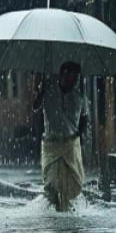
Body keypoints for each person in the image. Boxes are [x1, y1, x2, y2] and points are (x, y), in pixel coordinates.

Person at [32, 61, 90, 212]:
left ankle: (65, 211)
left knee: (75, 185)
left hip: (71, 144)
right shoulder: (49, 87)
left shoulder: (79, 93)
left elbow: (84, 117)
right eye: (72, 77)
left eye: (76, 78)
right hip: (51, 145)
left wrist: (80, 138)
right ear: (63, 75)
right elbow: (35, 106)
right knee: (52, 186)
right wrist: (39, 90)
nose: (74, 81)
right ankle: (60, 214)